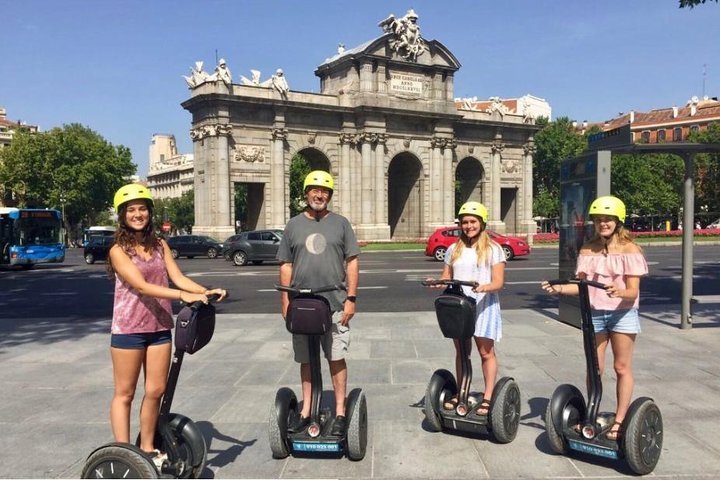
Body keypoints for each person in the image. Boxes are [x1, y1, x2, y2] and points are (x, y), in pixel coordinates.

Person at [107, 183, 227, 466]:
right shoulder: (118, 250)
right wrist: (183, 295)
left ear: (150, 212)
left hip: (160, 326)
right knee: (125, 393)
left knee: (156, 390)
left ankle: (147, 447)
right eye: (131, 210)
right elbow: (142, 286)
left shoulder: (160, 245)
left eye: (142, 209)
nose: (138, 214)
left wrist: (203, 291)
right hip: (128, 329)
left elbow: (178, 277)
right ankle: (124, 453)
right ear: (122, 215)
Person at [541, 195, 648, 441]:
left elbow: (632, 292)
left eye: (608, 219)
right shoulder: (588, 249)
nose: (603, 224)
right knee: (595, 368)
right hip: (595, 314)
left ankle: (620, 420)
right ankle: (592, 413)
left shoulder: (630, 250)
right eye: (599, 220)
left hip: (622, 314)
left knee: (621, 367)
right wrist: (557, 288)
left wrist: (621, 291)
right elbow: (581, 286)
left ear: (618, 221)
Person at [276, 170, 360, 436]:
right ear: (306, 193)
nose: (319, 194)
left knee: (336, 357)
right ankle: (306, 409)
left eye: (324, 191)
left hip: (334, 303)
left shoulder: (341, 224)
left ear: (330, 195)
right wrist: (285, 300)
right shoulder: (293, 225)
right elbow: (286, 265)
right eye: (314, 189)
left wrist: (351, 299)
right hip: (301, 306)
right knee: (306, 360)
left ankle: (339, 411)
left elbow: (352, 262)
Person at [425, 201, 506, 416]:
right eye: (465, 222)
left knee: (485, 352)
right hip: (459, 305)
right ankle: (462, 392)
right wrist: (437, 283)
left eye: (473, 221)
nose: (468, 226)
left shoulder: (493, 249)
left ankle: (488, 397)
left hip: (483, 305)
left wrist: (483, 287)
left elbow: (499, 282)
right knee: (461, 351)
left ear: (481, 223)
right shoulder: (454, 248)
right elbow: (447, 277)